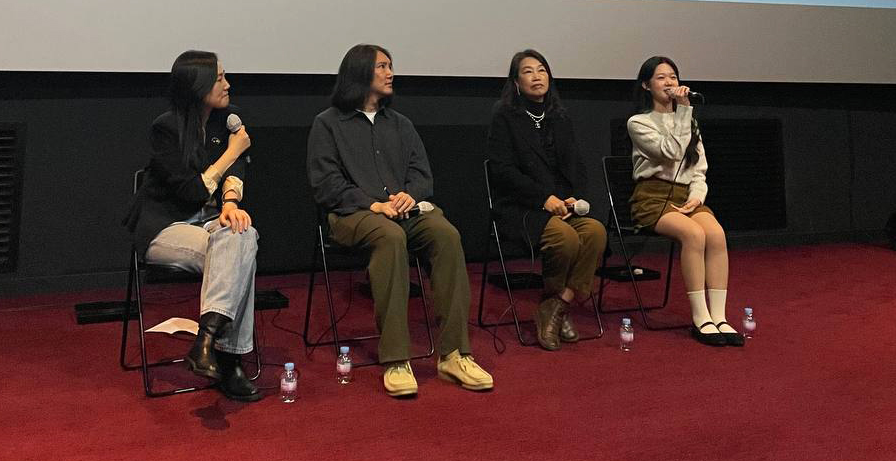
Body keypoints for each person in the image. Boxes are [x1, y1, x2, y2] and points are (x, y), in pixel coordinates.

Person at [307, 43, 493, 397]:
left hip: (403, 212)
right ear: (360, 72)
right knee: (390, 237)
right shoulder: (327, 124)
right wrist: (371, 205)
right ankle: (395, 358)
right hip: (351, 215)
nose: (390, 73)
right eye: (382, 66)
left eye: (390, 65)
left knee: (445, 234)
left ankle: (455, 354)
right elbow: (326, 185)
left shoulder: (400, 124)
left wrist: (410, 194)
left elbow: (422, 176)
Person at [124, 50, 264, 400]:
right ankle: (229, 361)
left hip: (210, 222)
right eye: (219, 78)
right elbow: (191, 191)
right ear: (197, 85)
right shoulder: (166, 128)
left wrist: (230, 204)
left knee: (242, 236)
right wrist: (232, 151)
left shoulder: (227, 120)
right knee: (238, 256)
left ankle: (206, 340)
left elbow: (236, 173)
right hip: (165, 225)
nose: (228, 84)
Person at [487, 49, 608, 351]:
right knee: (565, 239)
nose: (537, 76)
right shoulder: (505, 117)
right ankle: (557, 309)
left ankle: (556, 305)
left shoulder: (559, 116)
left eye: (542, 70)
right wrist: (544, 199)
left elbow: (577, 165)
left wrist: (574, 197)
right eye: (528, 71)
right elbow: (502, 171)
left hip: (563, 206)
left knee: (595, 232)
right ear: (516, 82)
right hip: (523, 208)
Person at [627, 56, 743, 347]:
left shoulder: (689, 121)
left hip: (685, 196)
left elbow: (699, 168)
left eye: (673, 77)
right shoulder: (639, 122)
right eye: (661, 78)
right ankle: (701, 317)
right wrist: (684, 112)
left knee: (715, 234)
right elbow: (671, 152)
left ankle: (719, 316)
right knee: (693, 234)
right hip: (653, 198)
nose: (669, 83)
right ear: (646, 85)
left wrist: (696, 198)